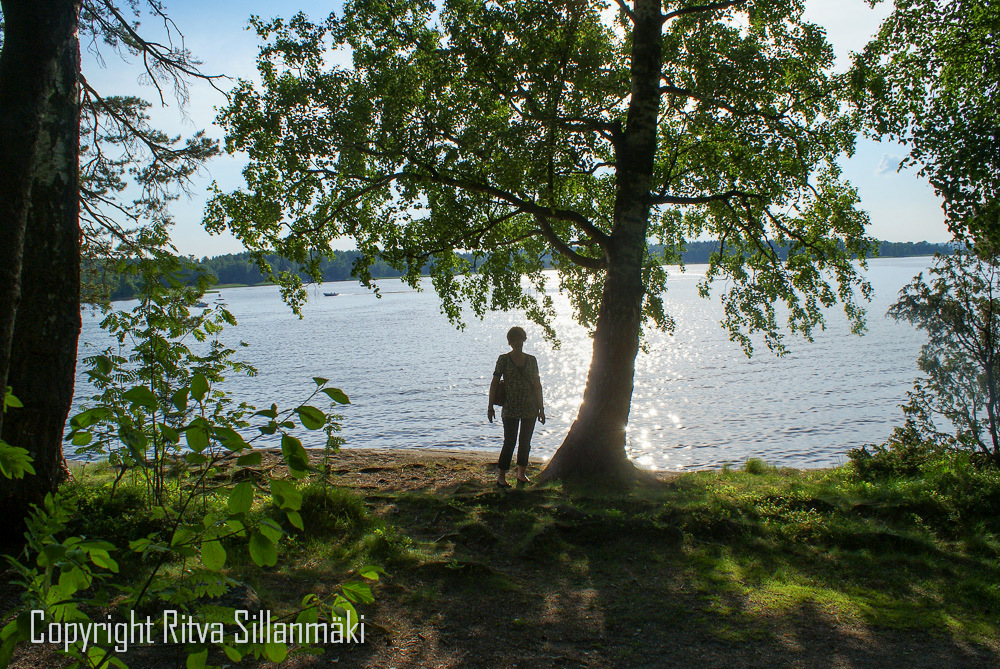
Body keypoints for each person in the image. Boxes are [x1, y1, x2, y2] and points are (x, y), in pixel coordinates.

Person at [487, 326, 545, 488]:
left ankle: (521, 474)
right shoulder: (503, 359)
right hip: (510, 407)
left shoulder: (532, 360)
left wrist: (541, 409)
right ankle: (501, 477)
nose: (517, 342)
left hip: (530, 407)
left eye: (520, 339)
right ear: (510, 342)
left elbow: (537, 385)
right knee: (510, 442)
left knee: (525, 442)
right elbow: (494, 383)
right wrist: (490, 406)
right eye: (514, 339)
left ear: (524, 340)